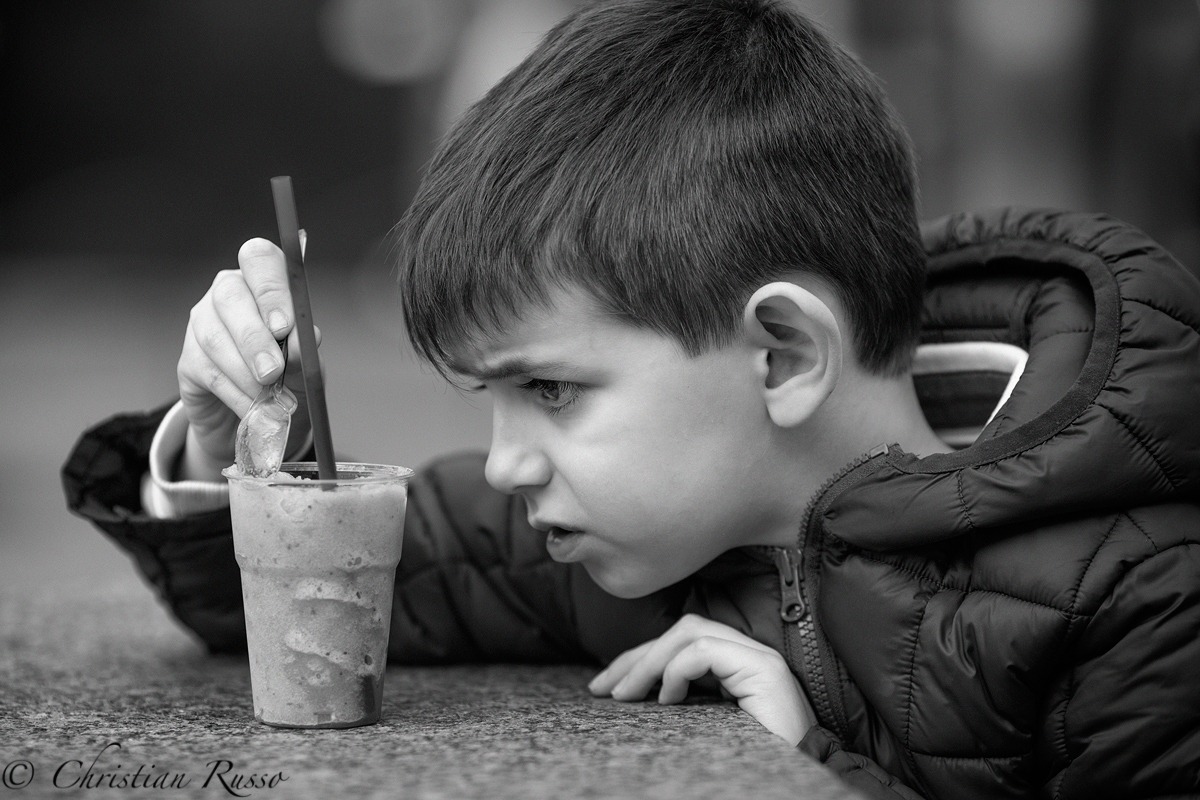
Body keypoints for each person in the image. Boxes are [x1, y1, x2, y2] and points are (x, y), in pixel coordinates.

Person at [63, 1, 1200, 798]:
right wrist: (229, 449)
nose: (507, 463)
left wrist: (806, 771)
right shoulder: (615, 529)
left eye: (551, 388)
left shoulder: (1140, 602)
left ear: (782, 355)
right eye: (492, 397)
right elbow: (303, 615)